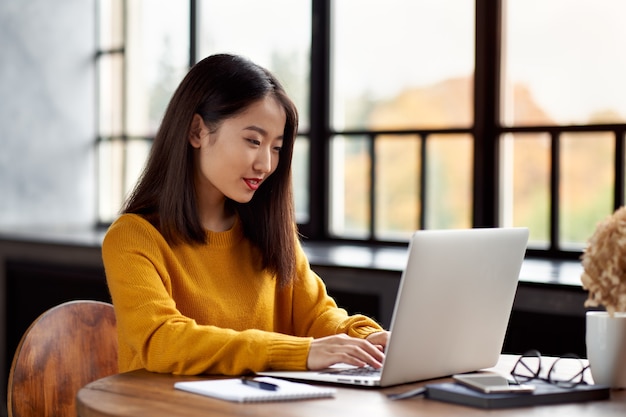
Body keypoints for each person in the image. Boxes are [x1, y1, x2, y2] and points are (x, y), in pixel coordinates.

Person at [102, 53, 389, 376]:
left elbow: (318, 317)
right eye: (253, 140)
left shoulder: (268, 233)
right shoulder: (133, 237)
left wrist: (368, 339)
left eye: (277, 147)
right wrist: (299, 351)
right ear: (197, 131)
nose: (265, 164)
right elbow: (163, 340)